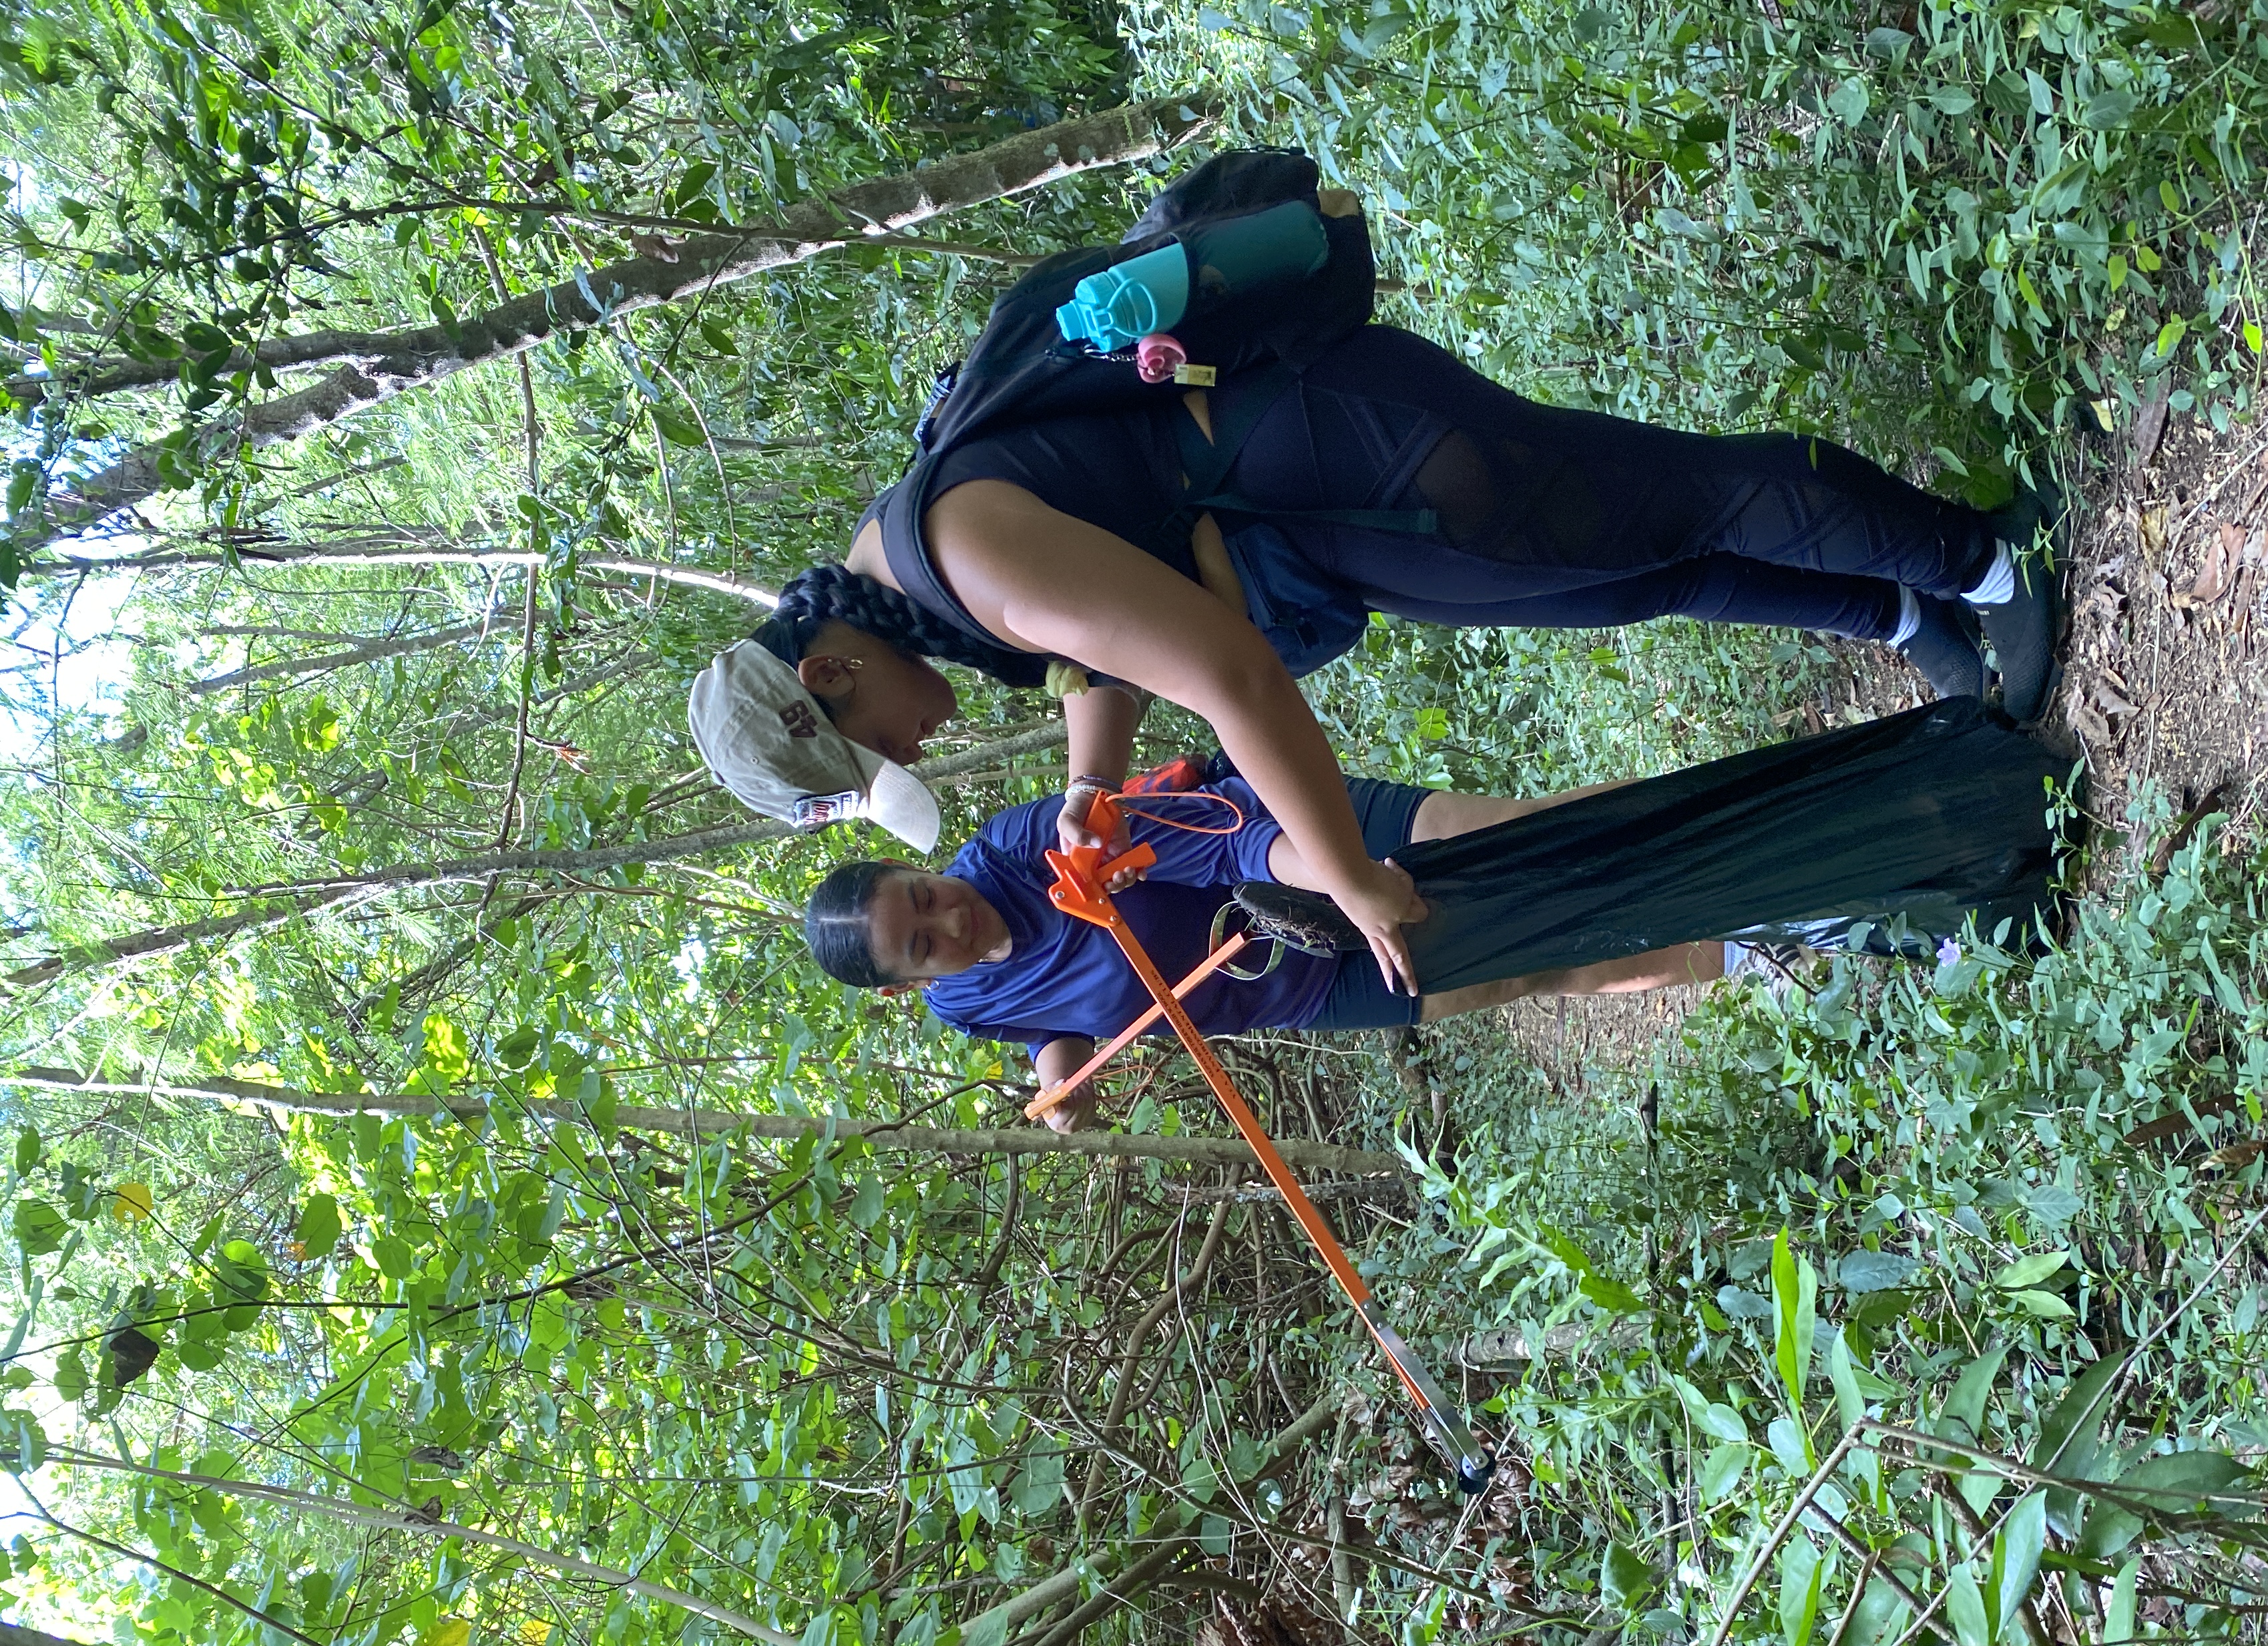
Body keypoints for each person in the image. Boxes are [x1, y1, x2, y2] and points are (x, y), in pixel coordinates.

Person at [693, 153, 2061, 994]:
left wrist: (1349, 875)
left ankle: (1982, 563)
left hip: (1350, 451)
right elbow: (1102, 651)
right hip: (1327, 516)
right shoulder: (916, 580)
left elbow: (1225, 676)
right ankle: (1901, 613)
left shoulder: (958, 549)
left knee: (1664, 502)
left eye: (874, 741)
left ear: (829, 673)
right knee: (1631, 581)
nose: (914, 741)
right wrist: (1087, 792)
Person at [801, 757, 1724, 1132]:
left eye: (923, 895)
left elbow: (1220, 832)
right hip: (1289, 989)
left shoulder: (1020, 846)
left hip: (1298, 844)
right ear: (904, 986)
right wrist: (1059, 1080)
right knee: (1526, 971)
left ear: (907, 866)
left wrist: (1345, 877)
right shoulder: (960, 1003)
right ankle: (1740, 948)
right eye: (924, 943)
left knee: (1527, 840)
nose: (950, 920)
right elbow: (1053, 1024)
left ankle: (1726, 830)